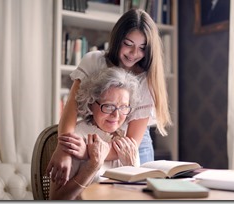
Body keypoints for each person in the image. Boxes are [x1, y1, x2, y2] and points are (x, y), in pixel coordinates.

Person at [46, 8, 172, 186]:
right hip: (96, 133)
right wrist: (63, 149)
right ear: (117, 39)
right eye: (128, 44)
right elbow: (71, 110)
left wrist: (87, 152)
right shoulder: (94, 61)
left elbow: (132, 142)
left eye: (142, 48)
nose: (134, 53)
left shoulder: (146, 80)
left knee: (136, 193)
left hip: (133, 144)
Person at [49, 67, 140, 200]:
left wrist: (131, 169)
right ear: (91, 104)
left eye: (123, 107)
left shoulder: (127, 141)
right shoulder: (75, 138)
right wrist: (91, 167)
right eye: (108, 106)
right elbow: (56, 199)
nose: (116, 115)